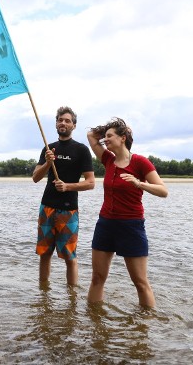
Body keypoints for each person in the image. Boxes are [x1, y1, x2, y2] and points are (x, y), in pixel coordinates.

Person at [87, 117, 168, 308]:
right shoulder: (107, 159)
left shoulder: (140, 162)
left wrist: (139, 183)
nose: (105, 140)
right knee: (97, 278)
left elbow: (163, 191)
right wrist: (111, 128)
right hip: (105, 224)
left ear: (123, 138)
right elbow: (91, 135)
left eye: (110, 136)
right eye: (105, 137)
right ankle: (94, 321)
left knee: (140, 282)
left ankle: (145, 327)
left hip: (131, 226)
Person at [32, 106, 95, 286]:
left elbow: (90, 182)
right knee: (45, 254)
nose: (63, 123)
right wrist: (47, 163)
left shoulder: (81, 150)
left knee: (69, 256)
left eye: (67, 121)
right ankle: (43, 294)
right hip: (47, 207)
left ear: (73, 126)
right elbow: (35, 178)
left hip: (69, 210)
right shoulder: (49, 148)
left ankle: (72, 297)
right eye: (60, 120)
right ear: (56, 123)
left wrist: (67, 186)